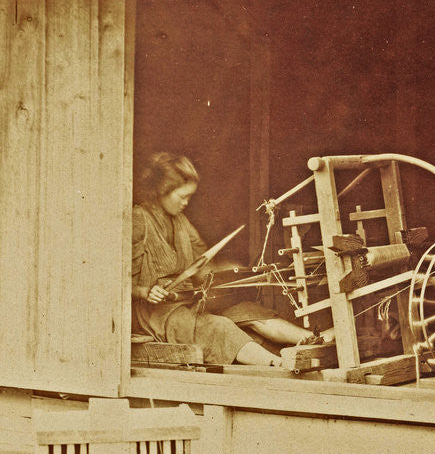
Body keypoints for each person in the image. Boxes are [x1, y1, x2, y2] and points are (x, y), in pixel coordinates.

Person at [132, 152, 326, 366]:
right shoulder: (139, 219)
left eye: (190, 197)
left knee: (246, 311)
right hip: (157, 314)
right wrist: (145, 291)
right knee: (218, 326)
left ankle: (317, 341)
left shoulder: (181, 221)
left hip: (186, 299)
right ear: (163, 191)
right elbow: (117, 277)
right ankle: (279, 365)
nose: (186, 202)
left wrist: (237, 270)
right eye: (182, 196)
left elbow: (203, 265)